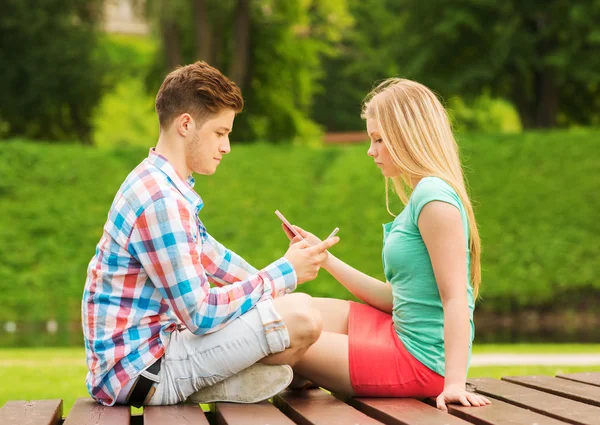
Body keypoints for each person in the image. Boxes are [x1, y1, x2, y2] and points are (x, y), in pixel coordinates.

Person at [81, 61, 339, 407]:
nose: (226, 146)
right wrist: (282, 274)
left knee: (298, 310)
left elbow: (214, 258)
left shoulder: (163, 184)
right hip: (143, 370)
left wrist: (287, 274)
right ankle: (219, 383)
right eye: (220, 133)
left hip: (151, 353)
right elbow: (200, 314)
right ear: (185, 124)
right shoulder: (161, 201)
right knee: (301, 319)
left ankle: (246, 378)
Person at [281, 78, 492, 412]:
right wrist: (326, 259)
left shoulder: (434, 198)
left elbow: (457, 299)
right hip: (395, 331)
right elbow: (398, 299)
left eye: (379, 139)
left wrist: (453, 383)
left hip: (417, 360)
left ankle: (284, 372)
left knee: (279, 338)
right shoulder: (422, 196)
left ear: (408, 135)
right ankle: (296, 373)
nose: (371, 150)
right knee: (290, 311)